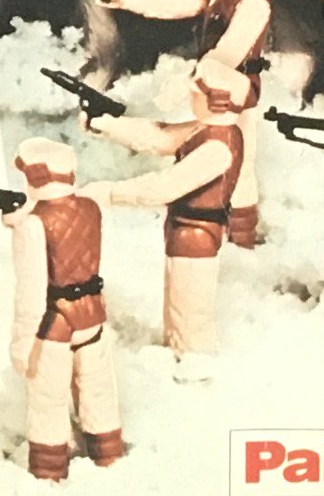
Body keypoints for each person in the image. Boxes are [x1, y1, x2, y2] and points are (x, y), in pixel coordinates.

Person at [88, 63, 249, 367]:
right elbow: (161, 135)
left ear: (216, 100)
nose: (191, 96)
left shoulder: (218, 146)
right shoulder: (207, 130)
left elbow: (165, 186)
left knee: (189, 317)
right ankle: (181, 359)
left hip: (197, 235)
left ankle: (194, 368)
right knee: (179, 308)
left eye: (197, 93)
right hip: (185, 232)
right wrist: (108, 125)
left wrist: (109, 193)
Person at [5, 139, 123, 481]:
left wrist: (22, 344)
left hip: (53, 323)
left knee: (48, 402)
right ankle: (109, 456)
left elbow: (31, 292)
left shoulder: (33, 226)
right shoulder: (89, 207)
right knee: (98, 392)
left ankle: (49, 471)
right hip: (92, 315)